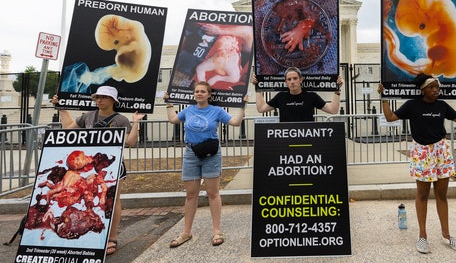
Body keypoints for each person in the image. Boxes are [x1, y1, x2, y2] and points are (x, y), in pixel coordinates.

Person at [378, 73, 456, 254]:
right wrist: (383, 97)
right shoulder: (412, 105)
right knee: (422, 195)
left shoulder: (442, 105)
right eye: (431, 87)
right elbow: (390, 117)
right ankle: (422, 237)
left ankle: (446, 235)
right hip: (422, 152)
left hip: (441, 151)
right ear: (423, 89)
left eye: (437, 87)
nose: (436, 90)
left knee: (442, 195)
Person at [52, 85, 145, 255]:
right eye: (97, 97)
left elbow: (130, 142)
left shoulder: (120, 120)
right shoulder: (87, 116)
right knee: (88, 200)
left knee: (112, 200)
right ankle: (91, 234)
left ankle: (113, 237)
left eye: (104, 97)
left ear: (113, 100)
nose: (100, 100)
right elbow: (69, 129)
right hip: (89, 169)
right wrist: (61, 109)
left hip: (112, 167)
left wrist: (136, 122)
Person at [164, 81, 246, 248]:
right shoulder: (188, 110)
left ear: (209, 94)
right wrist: (169, 104)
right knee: (190, 194)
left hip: (211, 155)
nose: (199, 93)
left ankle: (217, 231)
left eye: (203, 91)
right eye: (197, 91)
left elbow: (236, 122)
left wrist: (243, 106)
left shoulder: (216, 111)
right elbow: (173, 119)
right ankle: (186, 232)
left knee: (213, 193)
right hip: (191, 154)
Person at [252, 66, 343, 122]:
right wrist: (258, 89)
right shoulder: (280, 97)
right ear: (286, 82)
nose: (292, 82)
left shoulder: (311, 96)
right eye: (289, 79)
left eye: (295, 78)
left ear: (300, 80)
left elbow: (333, 110)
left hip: (307, 141)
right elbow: (261, 109)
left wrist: (337, 91)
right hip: (286, 141)